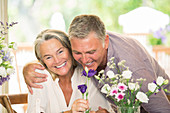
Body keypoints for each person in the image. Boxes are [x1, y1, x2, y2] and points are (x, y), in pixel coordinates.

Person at [23, 15, 170, 113]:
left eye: (90, 52)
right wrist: (27, 68)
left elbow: (161, 108)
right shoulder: (81, 52)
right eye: (78, 53)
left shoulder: (131, 64)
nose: (85, 60)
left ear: (105, 42)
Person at [26, 29, 113, 113]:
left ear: (70, 49)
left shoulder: (89, 73)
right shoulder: (39, 77)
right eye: (48, 57)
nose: (57, 60)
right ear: (42, 61)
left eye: (60, 52)